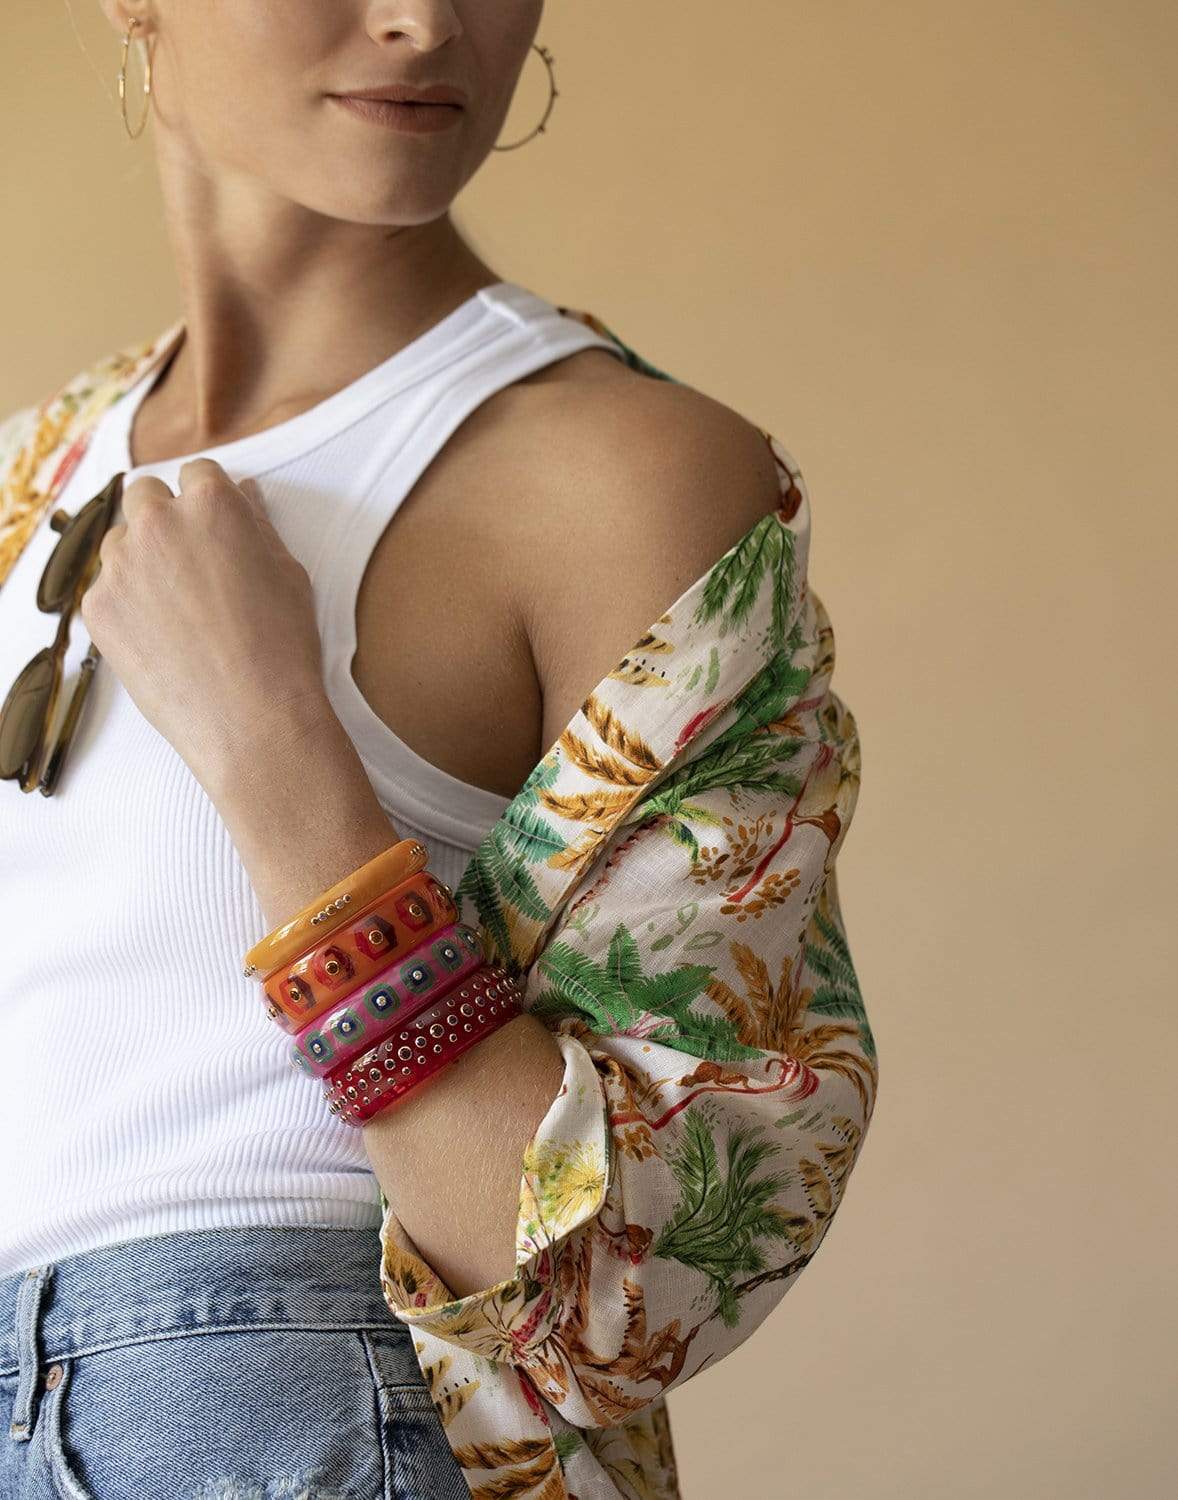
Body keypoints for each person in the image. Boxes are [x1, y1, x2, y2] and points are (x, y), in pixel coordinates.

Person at [0, 4, 879, 1497]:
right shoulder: (35, 475)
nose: (419, 17)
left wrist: (280, 750)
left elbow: (639, 1287)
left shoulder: (609, 474)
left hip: (295, 1405)